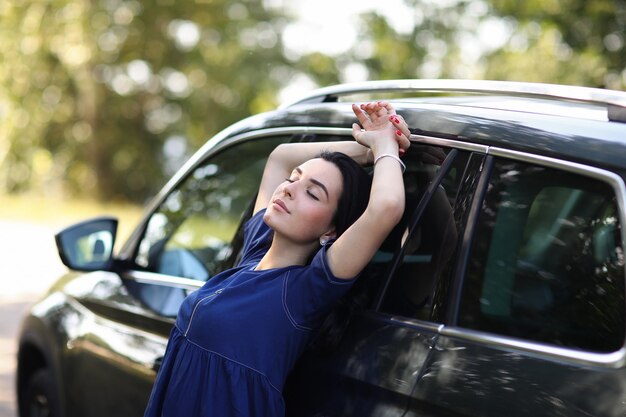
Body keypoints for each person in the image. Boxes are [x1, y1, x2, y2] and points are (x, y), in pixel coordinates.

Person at [143, 101, 411, 417]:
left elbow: (387, 207)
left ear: (331, 231)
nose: (288, 190)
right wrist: (367, 149)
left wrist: (385, 147)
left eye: (313, 193)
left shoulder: (306, 291)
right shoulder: (256, 247)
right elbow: (281, 156)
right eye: (294, 180)